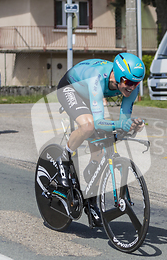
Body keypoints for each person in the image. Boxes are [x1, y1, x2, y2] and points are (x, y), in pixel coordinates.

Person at [55, 53, 146, 226]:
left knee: (100, 154)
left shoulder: (130, 88)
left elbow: (122, 123)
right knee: (88, 126)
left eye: (136, 83)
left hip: (90, 96)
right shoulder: (97, 78)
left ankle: (91, 201)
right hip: (70, 88)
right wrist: (119, 124)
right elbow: (97, 123)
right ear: (118, 76)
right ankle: (64, 157)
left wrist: (131, 126)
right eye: (128, 82)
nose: (132, 88)